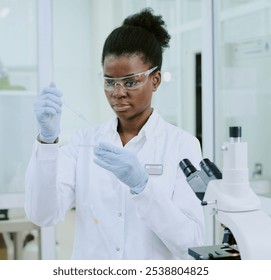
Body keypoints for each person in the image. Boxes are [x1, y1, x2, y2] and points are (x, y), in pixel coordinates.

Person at [25, 7, 204, 260]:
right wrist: (46, 140)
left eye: (130, 81)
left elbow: (191, 242)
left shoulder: (182, 145)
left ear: (155, 80)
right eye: (110, 82)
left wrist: (143, 187)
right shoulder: (84, 143)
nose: (118, 92)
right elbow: (42, 214)